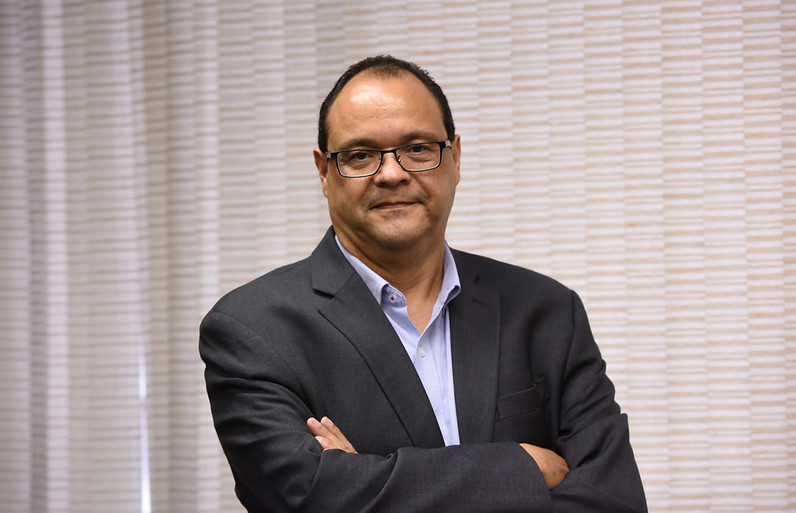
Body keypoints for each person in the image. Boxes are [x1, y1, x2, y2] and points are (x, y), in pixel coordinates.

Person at [200, 55, 648, 513]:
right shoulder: (251, 330)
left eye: (417, 148)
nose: (392, 173)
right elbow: (312, 498)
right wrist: (524, 467)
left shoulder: (547, 311)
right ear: (323, 172)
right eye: (360, 155)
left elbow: (615, 501)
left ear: (454, 158)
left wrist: (369, 481)